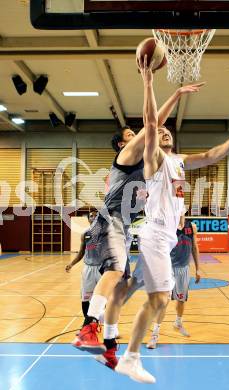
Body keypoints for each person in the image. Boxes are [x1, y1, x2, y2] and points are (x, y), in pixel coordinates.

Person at [115, 56, 229, 383]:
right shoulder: (153, 158)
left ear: (173, 139)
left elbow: (209, 157)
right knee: (159, 296)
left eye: (167, 131)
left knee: (159, 297)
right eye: (159, 131)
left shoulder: (179, 162)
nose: (162, 131)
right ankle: (128, 354)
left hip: (168, 237)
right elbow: (151, 123)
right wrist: (151, 83)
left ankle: (129, 354)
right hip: (153, 233)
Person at [72, 74, 205, 359]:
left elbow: (162, 194)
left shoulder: (153, 168)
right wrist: (167, 91)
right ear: (123, 145)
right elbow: (152, 123)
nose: (138, 136)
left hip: (126, 227)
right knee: (116, 271)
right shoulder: (126, 157)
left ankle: (109, 345)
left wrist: (174, 215)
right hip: (111, 222)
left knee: (121, 285)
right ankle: (87, 327)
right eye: (132, 135)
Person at [146, 214, 200, 349]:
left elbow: (195, 247)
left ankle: (178, 322)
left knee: (181, 300)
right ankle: (155, 335)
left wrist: (198, 269)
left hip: (184, 269)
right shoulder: (167, 226)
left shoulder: (191, 226)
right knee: (163, 302)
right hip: (167, 268)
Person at [65, 210, 100, 322]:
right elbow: (81, 253)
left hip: (102, 268)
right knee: (86, 297)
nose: (93, 217)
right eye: (91, 216)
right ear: (88, 219)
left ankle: (108, 326)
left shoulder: (105, 233)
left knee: (105, 297)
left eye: (96, 216)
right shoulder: (85, 234)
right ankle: (87, 323)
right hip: (88, 268)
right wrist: (71, 264)